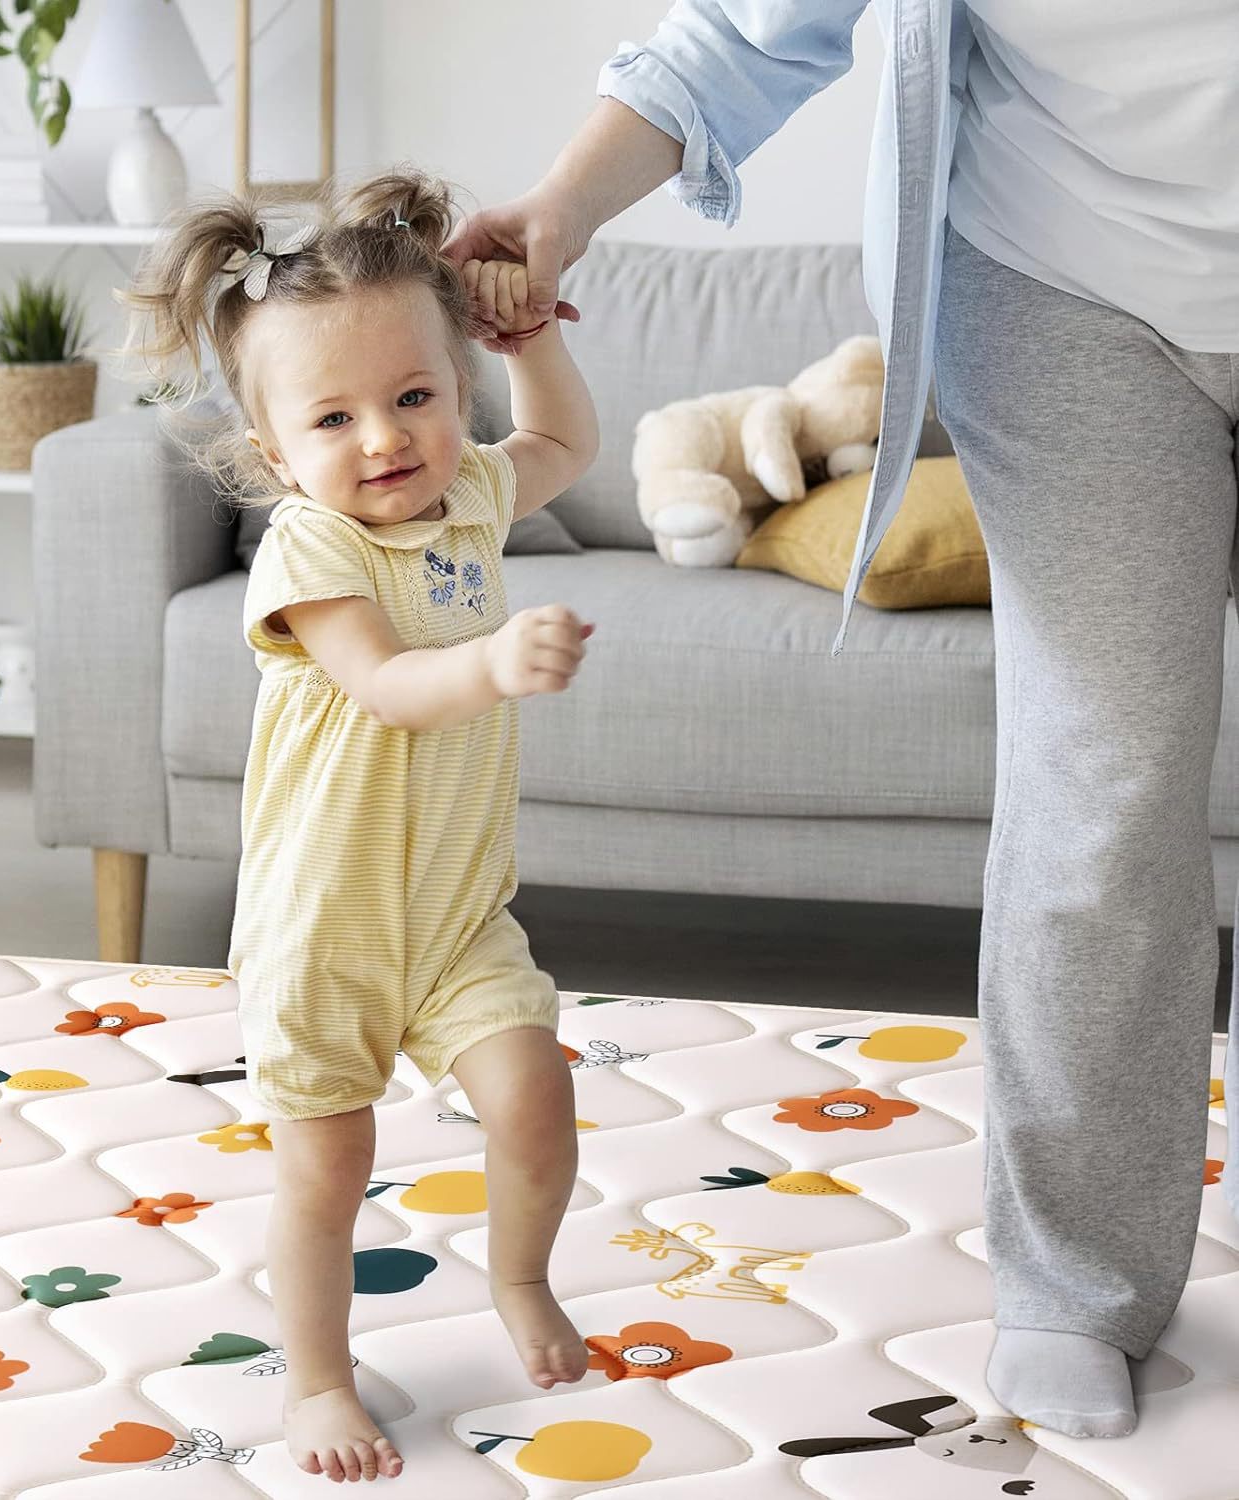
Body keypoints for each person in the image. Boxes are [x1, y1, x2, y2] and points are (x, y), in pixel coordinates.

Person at [446, 0, 1239, 1444]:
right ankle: (1076, 1281)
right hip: (1066, 284)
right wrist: (562, 206)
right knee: (1105, 780)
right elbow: (750, 33)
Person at [122, 167, 599, 1483]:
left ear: (457, 390)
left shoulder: (472, 504)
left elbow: (564, 449)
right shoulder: (309, 553)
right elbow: (388, 687)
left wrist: (535, 334)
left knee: (537, 1101)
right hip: (321, 934)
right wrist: (498, 664)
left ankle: (519, 1280)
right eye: (334, 418)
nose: (383, 439)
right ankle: (319, 1380)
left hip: (454, 922)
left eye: (413, 398)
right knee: (328, 1171)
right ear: (279, 453)